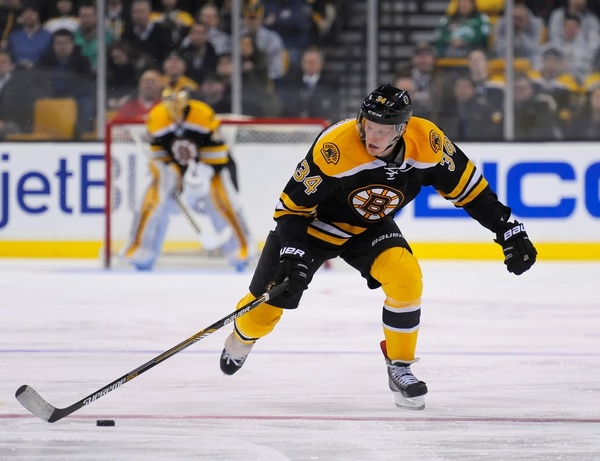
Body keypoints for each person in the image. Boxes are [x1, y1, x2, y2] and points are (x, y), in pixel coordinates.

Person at [218, 83, 538, 410]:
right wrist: (293, 250)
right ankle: (241, 339)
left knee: (405, 276)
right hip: (312, 228)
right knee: (264, 311)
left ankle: (400, 367)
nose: (370, 136)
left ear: (401, 129)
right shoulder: (335, 147)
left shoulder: (428, 143)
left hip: (367, 228)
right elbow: (291, 209)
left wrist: (507, 228)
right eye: (367, 125)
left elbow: (470, 190)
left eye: (382, 131)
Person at [120, 87, 254, 271]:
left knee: (222, 201)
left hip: (209, 165)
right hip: (172, 168)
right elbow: (157, 155)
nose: (175, 113)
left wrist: (203, 172)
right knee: (152, 201)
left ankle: (241, 251)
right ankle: (140, 251)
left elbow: (218, 151)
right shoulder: (158, 117)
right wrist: (169, 173)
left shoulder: (202, 114)